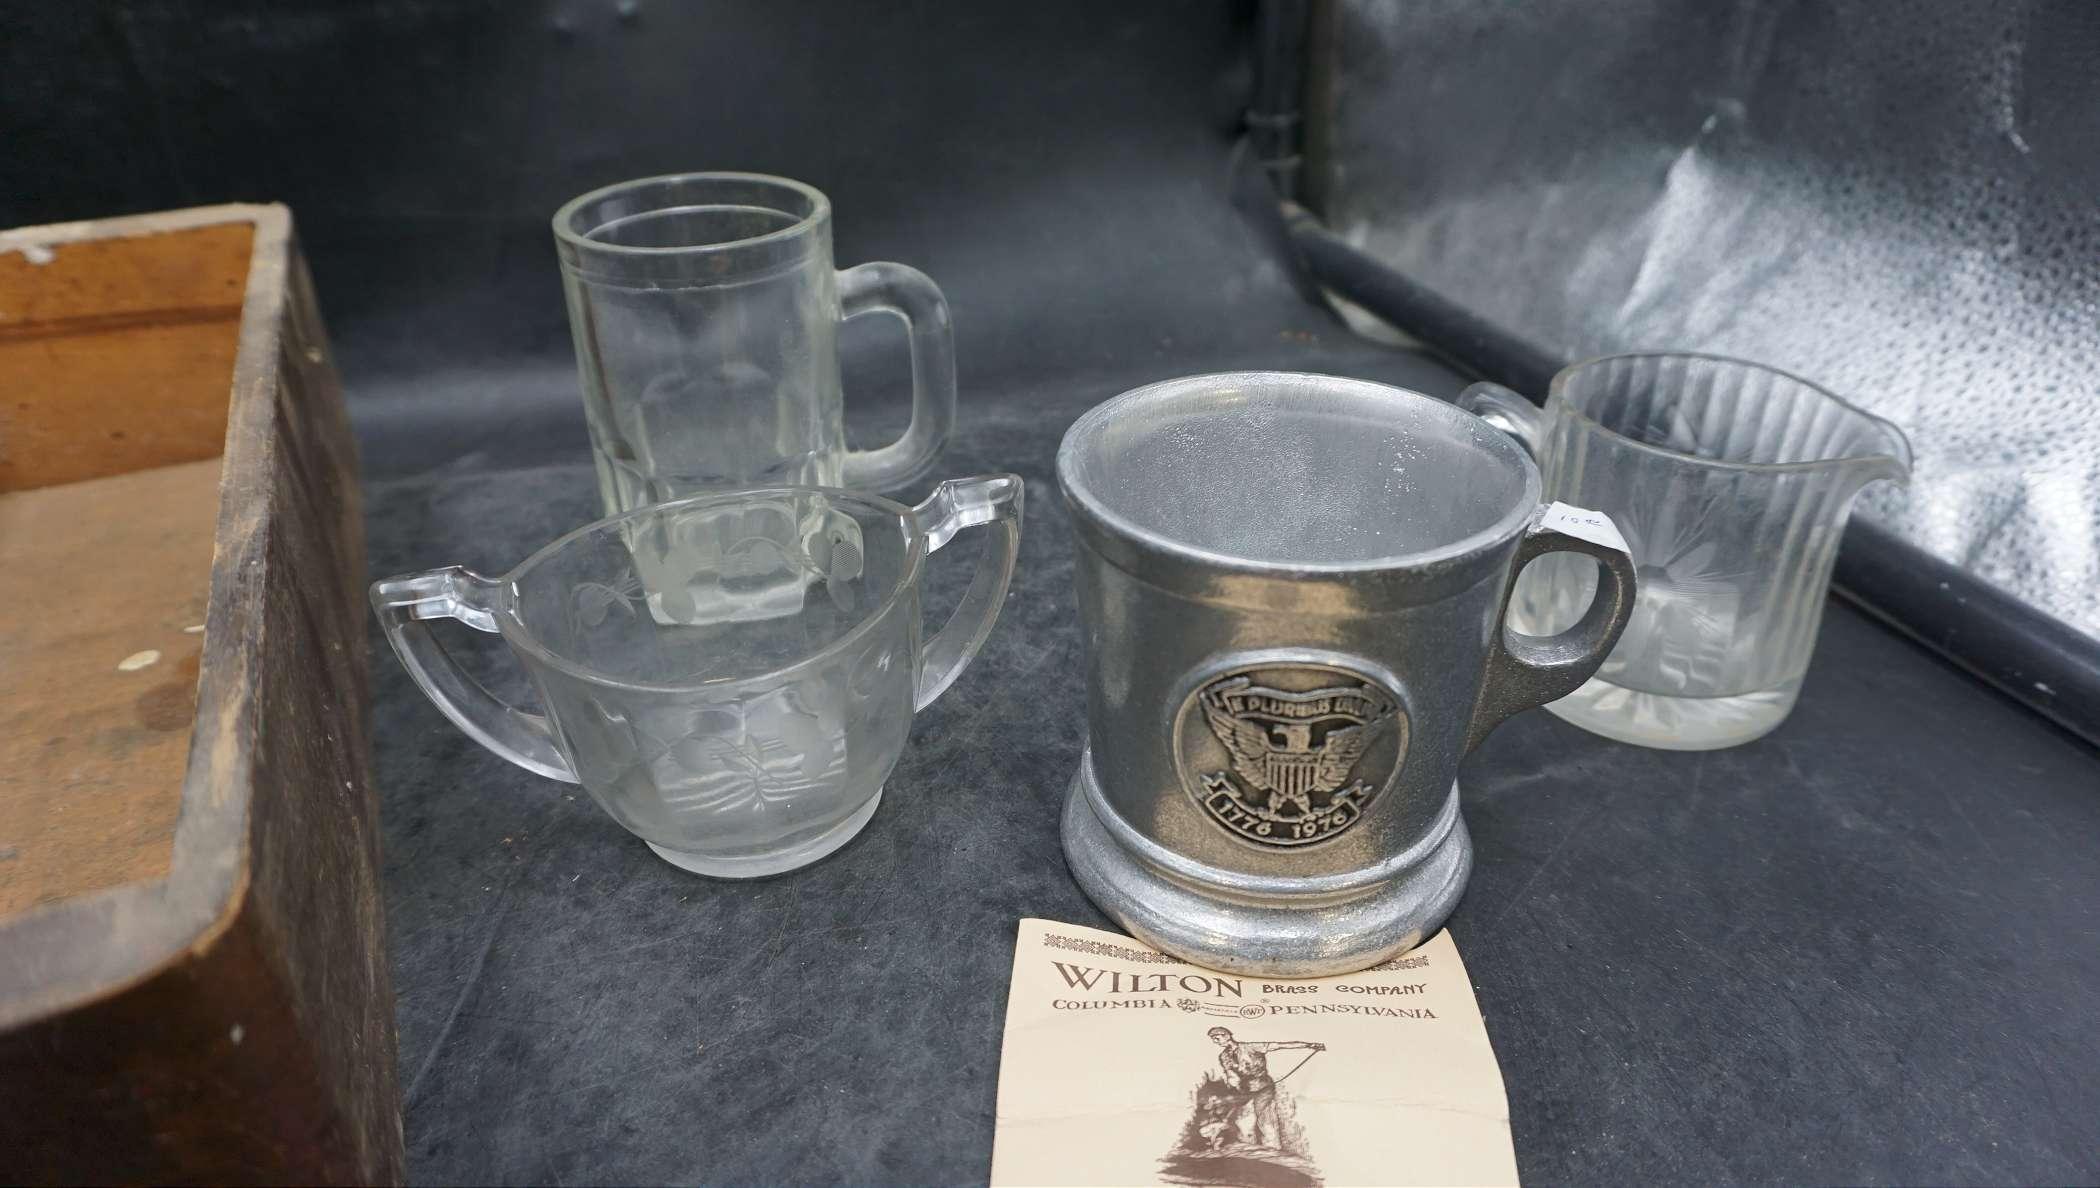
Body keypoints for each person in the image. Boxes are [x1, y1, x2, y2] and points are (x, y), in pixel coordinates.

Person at [1206, 1026, 1323, 1149]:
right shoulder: (1224, 1056)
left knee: (1265, 1118)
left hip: (1263, 1087)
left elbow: (1279, 1045)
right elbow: (1230, 1073)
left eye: (1217, 1038)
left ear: (1227, 1036)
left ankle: (1273, 1148)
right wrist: (1232, 1082)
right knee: (1236, 1117)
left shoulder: (1251, 1047)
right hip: (1243, 1090)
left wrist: (1309, 1045)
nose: (1215, 1042)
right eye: (1213, 1039)